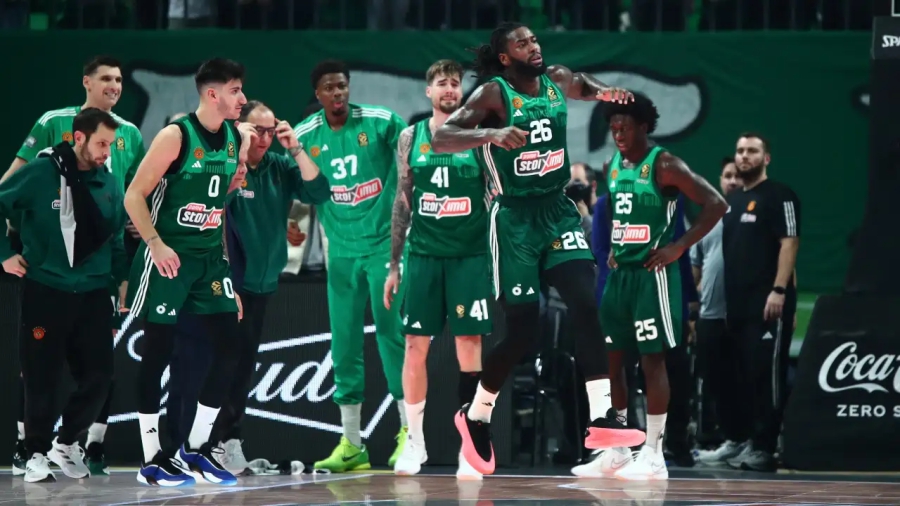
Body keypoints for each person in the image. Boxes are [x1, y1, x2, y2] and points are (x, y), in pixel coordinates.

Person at [430, 22, 646, 476]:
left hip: (557, 211)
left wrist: (605, 92)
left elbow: (583, 84)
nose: (533, 46)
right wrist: (490, 135)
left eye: (534, 40)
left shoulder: (557, 79)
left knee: (587, 304)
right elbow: (442, 137)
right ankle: (477, 415)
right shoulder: (494, 94)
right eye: (522, 43)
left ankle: (603, 418)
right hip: (514, 221)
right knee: (523, 330)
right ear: (505, 57)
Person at [7, 55, 144, 477]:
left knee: (100, 377)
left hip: (95, 285)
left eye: (112, 146)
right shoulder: (44, 163)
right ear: (79, 137)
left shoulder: (114, 177)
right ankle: (32, 451)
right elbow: (5, 195)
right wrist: (6, 250)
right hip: (47, 282)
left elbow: (118, 235)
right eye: (101, 145)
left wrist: (122, 282)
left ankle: (68, 443)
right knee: (40, 375)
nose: (107, 153)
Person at [123, 57, 254, 487]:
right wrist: (155, 244)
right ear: (212, 94)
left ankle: (195, 449)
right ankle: (151, 459)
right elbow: (134, 196)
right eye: (235, 90)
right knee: (157, 354)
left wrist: (227, 276)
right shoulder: (175, 135)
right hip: (169, 258)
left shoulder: (235, 137)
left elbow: (216, 211)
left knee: (231, 346)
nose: (243, 98)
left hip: (209, 261)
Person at [596, 93, 726, 481]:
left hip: (653, 278)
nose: (618, 134)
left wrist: (678, 246)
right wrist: (617, 245)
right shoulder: (610, 165)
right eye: (613, 127)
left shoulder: (665, 164)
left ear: (643, 126)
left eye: (624, 127)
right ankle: (619, 449)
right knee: (612, 362)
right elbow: (619, 211)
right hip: (621, 277)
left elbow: (716, 204)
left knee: (652, 361)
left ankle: (654, 453)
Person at [293, 60, 409, 473]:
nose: (338, 93)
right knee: (343, 344)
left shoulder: (380, 122)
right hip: (340, 252)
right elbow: (285, 179)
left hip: (383, 249)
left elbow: (413, 149)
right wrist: (288, 219)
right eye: (329, 88)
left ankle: (410, 433)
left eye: (342, 86)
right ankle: (352, 444)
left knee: (392, 337)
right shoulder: (305, 135)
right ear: (318, 94)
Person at [382, 59, 489, 478]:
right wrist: (394, 264)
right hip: (423, 256)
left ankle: (471, 445)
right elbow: (402, 200)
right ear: (429, 91)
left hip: (469, 256)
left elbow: (494, 198)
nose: (449, 89)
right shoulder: (411, 137)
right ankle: (414, 441)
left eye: (455, 83)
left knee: (469, 345)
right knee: (414, 345)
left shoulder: (477, 138)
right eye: (442, 83)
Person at [210, 100, 330, 474]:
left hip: (262, 285)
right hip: (228, 284)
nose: (264, 138)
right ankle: (208, 443)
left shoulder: (279, 166)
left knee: (243, 366)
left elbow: (319, 191)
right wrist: (239, 152)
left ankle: (227, 442)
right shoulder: (227, 164)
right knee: (222, 364)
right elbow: (215, 205)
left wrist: (295, 147)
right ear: (240, 129)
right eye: (256, 131)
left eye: (269, 131)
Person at [721, 133, 800, 473]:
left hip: (768, 304)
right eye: (740, 151)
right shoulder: (734, 200)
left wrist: (779, 290)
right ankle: (751, 442)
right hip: (737, 306)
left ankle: (767, 448)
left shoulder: (780, 195)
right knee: (746, 378)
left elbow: (790, 243)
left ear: (766, 158)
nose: (744, 156)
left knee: (768, 377)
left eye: (752, 151)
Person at [692, 157, 744, 465]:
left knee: (747, 379)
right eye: (727, 176)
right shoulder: (709, 217)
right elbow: (696, 266)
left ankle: (755, 441)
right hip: (710, 315)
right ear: (720, 180)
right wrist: (691, 312)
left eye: (737, 176)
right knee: (716, 380)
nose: (732, 181)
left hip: (744, 315)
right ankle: (732, 440)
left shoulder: (757, 213)